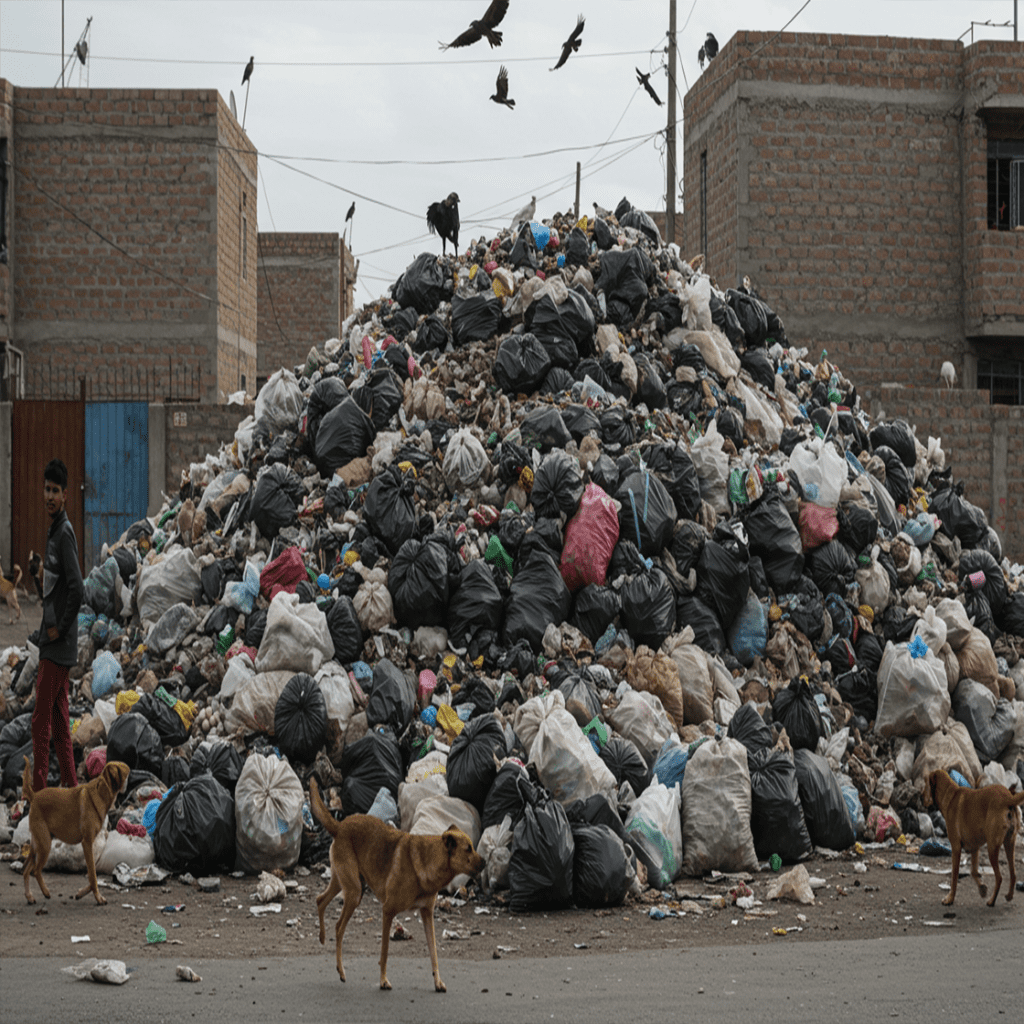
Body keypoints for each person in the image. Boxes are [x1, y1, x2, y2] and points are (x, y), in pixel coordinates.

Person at [32, 458, 83, 792]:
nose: (50, 496)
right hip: (53, 642)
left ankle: (39, 798)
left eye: (55, 491)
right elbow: (57, 590)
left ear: (65, 495)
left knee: (40, 722)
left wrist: (60, 629)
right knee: (61, 723)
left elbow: (78, 588)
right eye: (47, 489)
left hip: (57, 646)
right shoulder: (54, 531)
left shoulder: (64, 533)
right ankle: (72, 791)